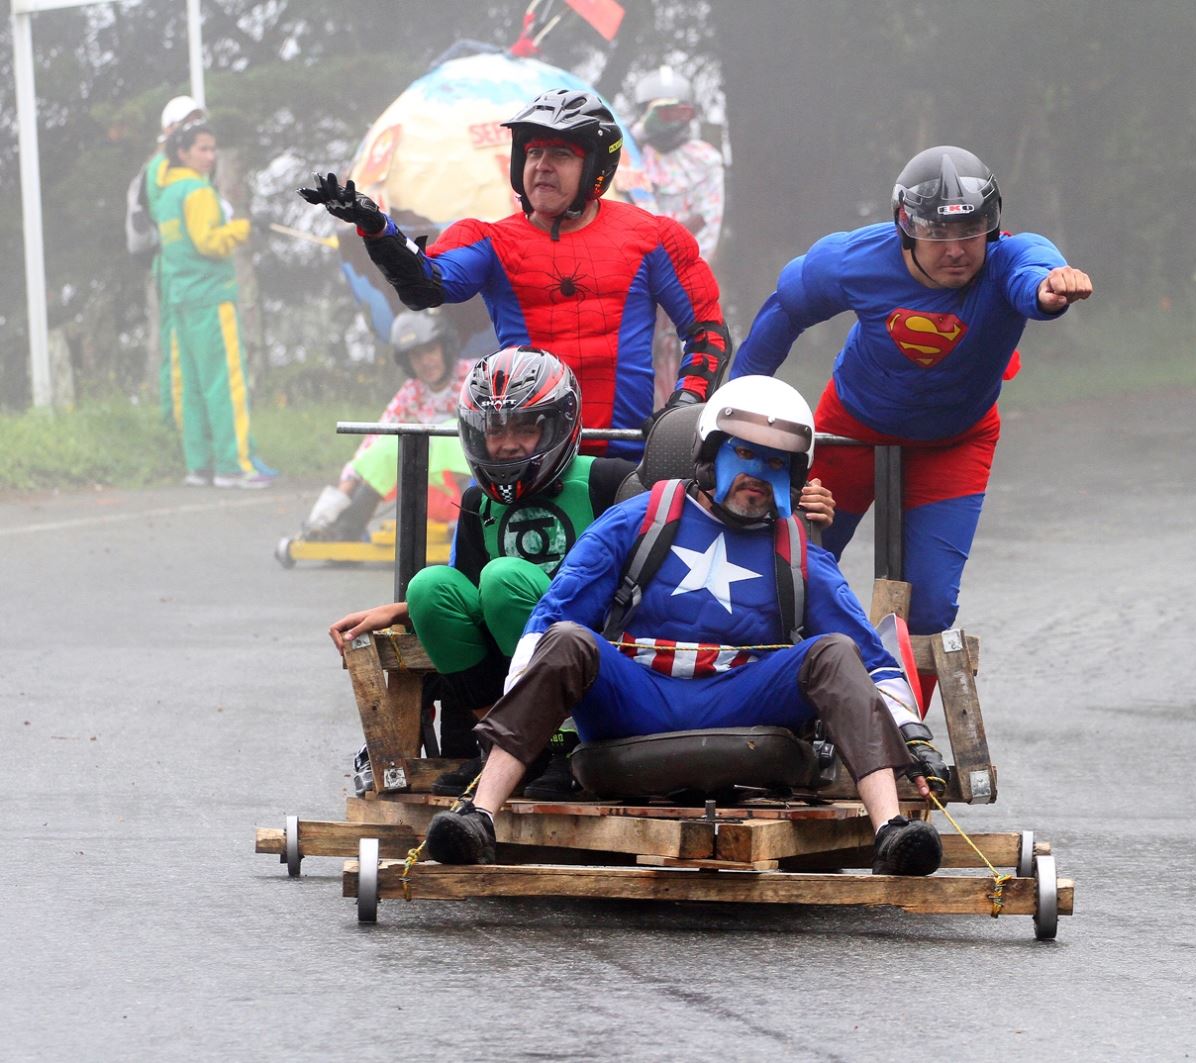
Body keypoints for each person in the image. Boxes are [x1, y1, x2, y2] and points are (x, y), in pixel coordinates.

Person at [418, 375, 948, 877]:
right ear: (709, 453)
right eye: (743, 453)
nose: (757, 474)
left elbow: (868, 655)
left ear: (794, 474)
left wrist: (914, 737)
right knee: (569, 639)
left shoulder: (798, 552)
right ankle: (479, 816)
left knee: (832, 650)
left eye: (775, 462)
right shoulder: (639, 519)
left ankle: (891, 830)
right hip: (635, 698)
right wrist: (519, 700)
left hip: (743, 701)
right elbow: (555, 614)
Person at [328, 349, 837, 797]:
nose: (505, 446)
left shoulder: (612, 480)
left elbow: (705, 505)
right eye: (495, 430)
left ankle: (556, 747)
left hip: (596, 650)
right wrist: (398, 610)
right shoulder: (474, 502)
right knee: (429, 586)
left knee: (506, 579)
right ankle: (502, 748)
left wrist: (791, 498)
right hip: (512, 663)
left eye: (524, 428)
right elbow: (463, 595)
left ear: (558, 427)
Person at [731, 144, 1093, 698]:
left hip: (955, 441)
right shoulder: (853, 259)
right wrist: (739, 405)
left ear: (992, 227)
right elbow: (786, 308)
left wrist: (1050, 293)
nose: (956, 251)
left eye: (971, 231)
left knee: (929, 604)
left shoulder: (1010, 259)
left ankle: (898, 734)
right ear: (905, 227)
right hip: (850, 428)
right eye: (938, 234)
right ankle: (774, 701)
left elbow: (1034, 272)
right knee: (794, 563)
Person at [298, 87, 731, 462]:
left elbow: (708, 331)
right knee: (460, 556)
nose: (542, 165)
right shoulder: (488, 239)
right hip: (523, 464)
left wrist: (683, 405)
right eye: (534, 151)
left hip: (625, 463)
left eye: (560, 154)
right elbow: (425, 285)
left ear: (596, 169)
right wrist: (377, 228)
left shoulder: (656, 236)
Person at [155, 121, 270, 487]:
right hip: (212, 297)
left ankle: (199, 465)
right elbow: (210, 242)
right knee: (226, 383)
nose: (210, 155)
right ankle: (233, 466)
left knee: (193, 385)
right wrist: (243, 227)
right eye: (202, 149)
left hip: (182, 299)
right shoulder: (198, 192)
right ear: (183, 153)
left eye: (212, 148)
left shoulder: (167, 195)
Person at [298, 308, 476, 541]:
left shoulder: (476, 376)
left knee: (452, 433)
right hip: (428, 498)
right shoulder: (411, 392)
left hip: (477, 490)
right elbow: (376, 438)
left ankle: (476, 525)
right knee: (391, 444)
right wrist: (340, 494)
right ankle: (343, 528)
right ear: (407, 362)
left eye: (430, 350)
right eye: (416, 356)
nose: (425, 362)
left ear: (445, 347)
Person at [631, 66, 726, 409]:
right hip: (635, 277)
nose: (669, 120)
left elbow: (710, 221)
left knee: (687, 354)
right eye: (660, 112)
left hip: (684, 276)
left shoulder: (706, 160)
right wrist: (639, 133)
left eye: (677, 111)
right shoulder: (631, 154)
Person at [126, 95, 206, 422]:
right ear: (170, 128)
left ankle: (191, 425)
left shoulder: (186, 166)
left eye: (197, 121)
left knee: (190, 349)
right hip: (171, 265)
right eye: (188, 122)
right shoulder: (160, 165)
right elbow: (165, 218)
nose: (193, 128)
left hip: (189, 267)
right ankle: (174, 423)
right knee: (174, 346)